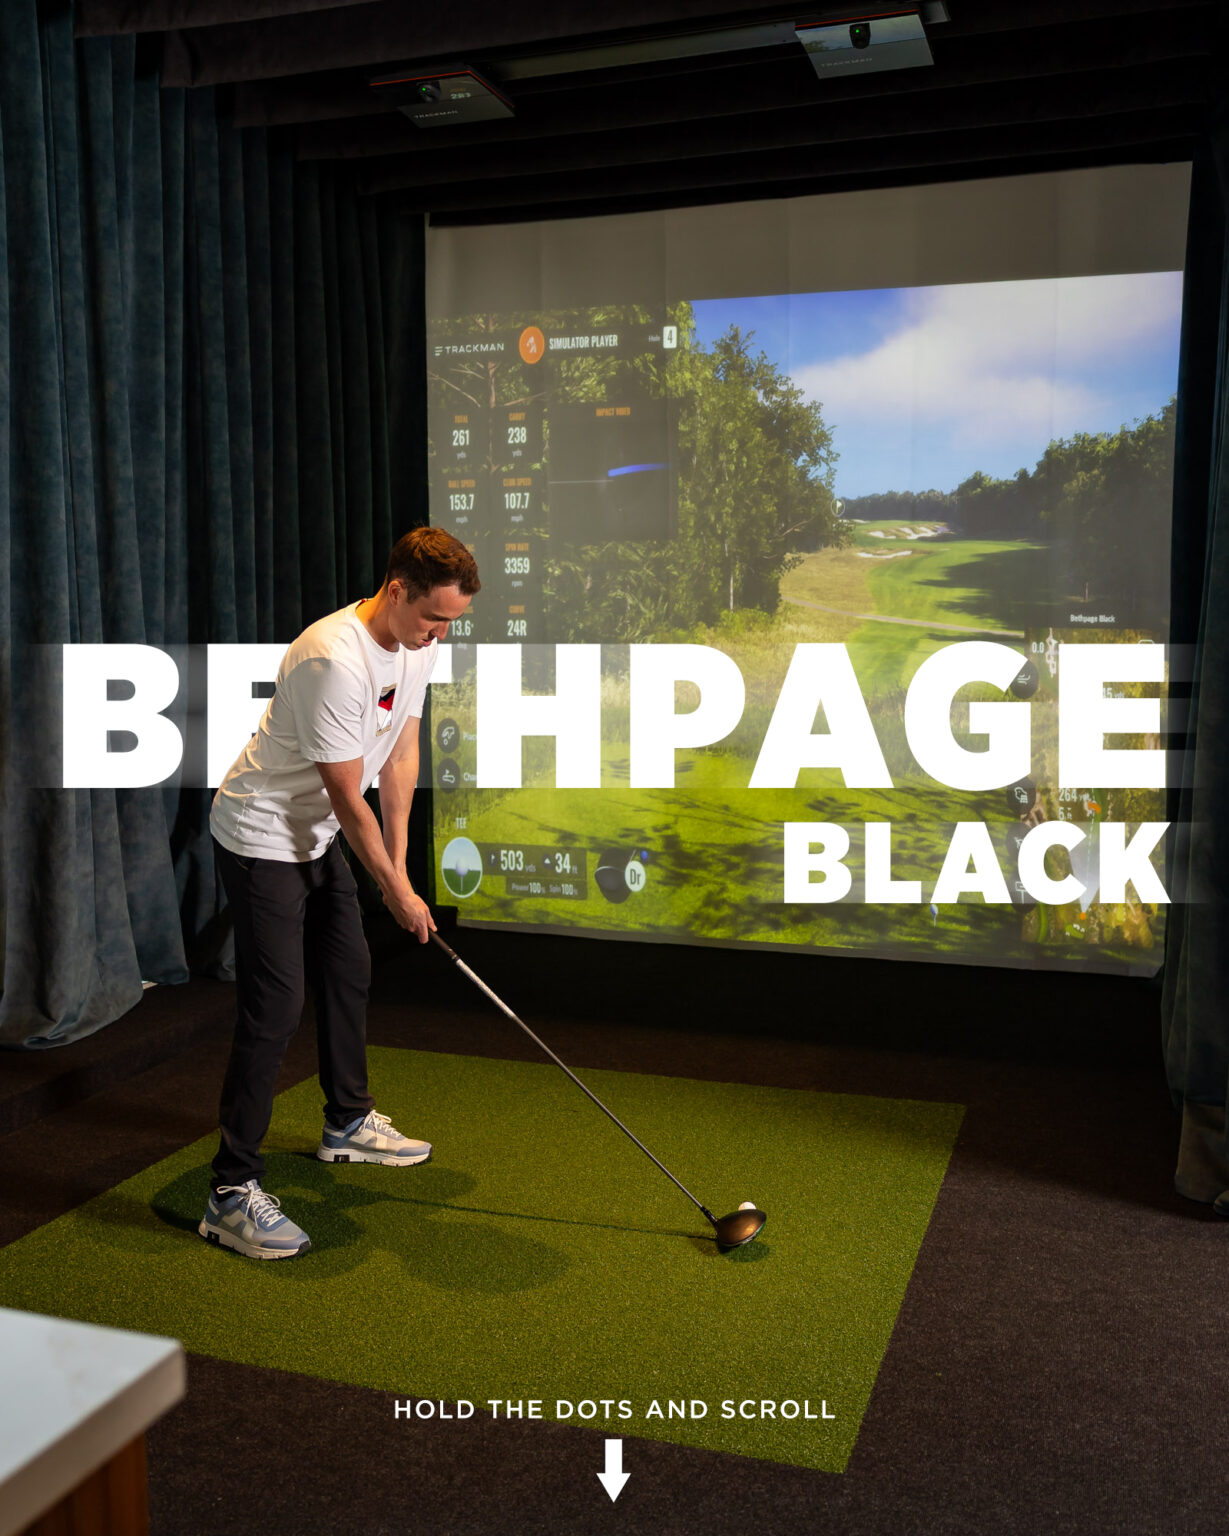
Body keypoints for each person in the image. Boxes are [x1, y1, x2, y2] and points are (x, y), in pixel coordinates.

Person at [198, 527, 480, 1259]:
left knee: (350, 969)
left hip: (317, 834)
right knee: (276, 1007)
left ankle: (347, 1123)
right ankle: (229, 1192)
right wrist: (392, 890)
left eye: (450, 622)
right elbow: (347, 796)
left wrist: (401, 869)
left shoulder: (418, 643)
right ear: (397, 589)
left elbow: (401, 753)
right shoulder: (333, 658)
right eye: (433, 618)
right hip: (263, 834)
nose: (440, 634)